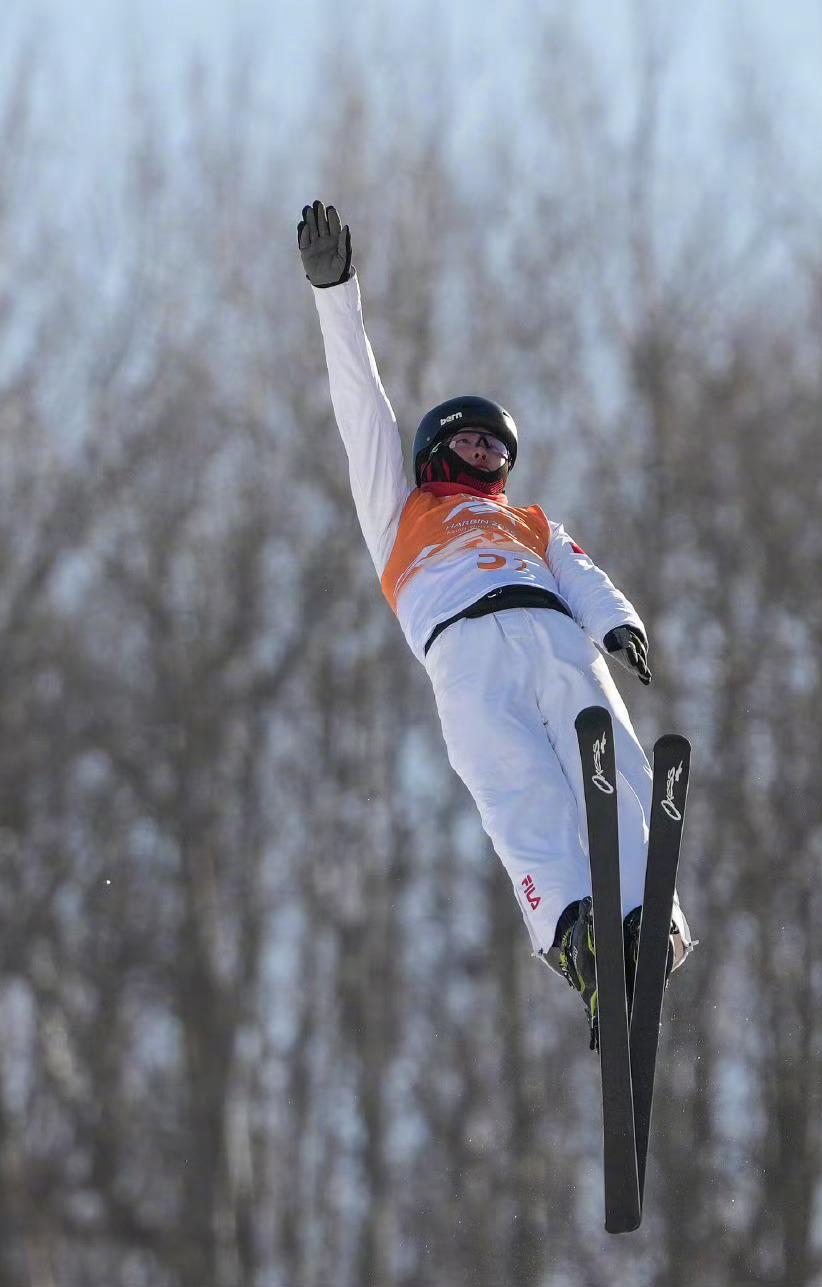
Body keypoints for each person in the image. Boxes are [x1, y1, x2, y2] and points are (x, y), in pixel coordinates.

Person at [297, 199, 690, 1047]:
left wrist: (617, 624)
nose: (487, 461)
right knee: (516, 790)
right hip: (463, 649)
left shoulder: (528, 523)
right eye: (473, 446)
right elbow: (362, 413)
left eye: (498, 451)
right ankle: (576, 929)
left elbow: (582, 572)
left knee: (609, 757)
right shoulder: (400, 514)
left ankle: (643, 920)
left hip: (550, 630)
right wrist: (337, 295)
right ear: (439, 449)